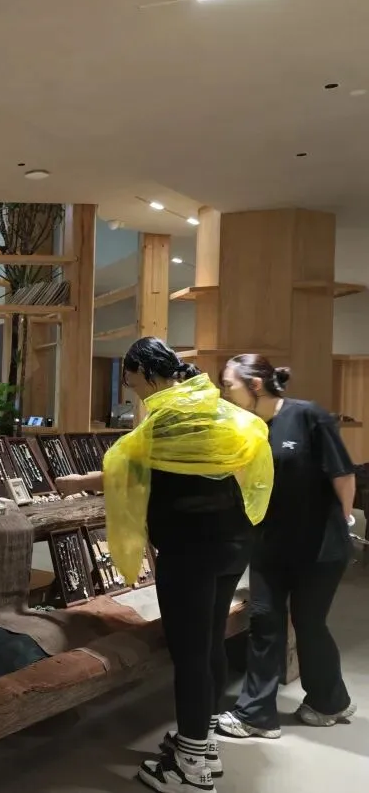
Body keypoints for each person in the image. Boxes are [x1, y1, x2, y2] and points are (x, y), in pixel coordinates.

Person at [55, 337, 272, 793]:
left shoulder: (171, 417)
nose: (130, 387)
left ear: (148, 373)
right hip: (233, 538)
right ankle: (203, 742)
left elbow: (130, 467)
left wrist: (76, 482)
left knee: (189, 652)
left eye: (131, 378)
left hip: (192, 547)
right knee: (209, 642)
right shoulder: (212, 407)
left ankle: (190, 769)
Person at [216, 355, 357, 739]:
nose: (225, 392)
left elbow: (343, 476)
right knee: (264, 622)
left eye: (229, 384)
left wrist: (343, 521)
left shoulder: (308, 415)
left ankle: (329, 700)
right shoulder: (247, 428)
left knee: (309, 624)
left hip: (319, 547)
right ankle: (255, 715)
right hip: (270, 544)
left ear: (254, 385)